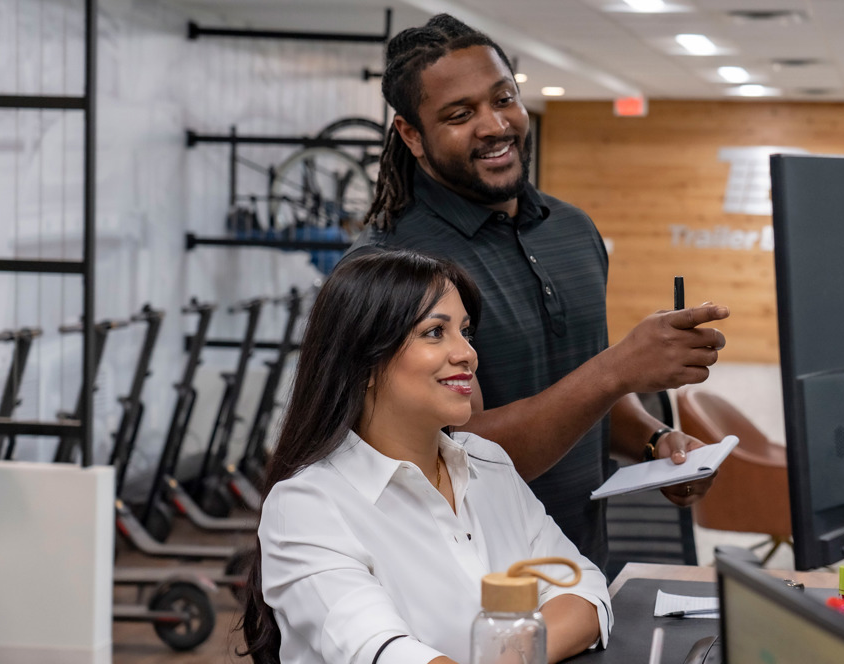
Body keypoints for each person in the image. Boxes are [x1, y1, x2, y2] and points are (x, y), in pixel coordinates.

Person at [349, 14, 730, 567]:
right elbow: (457, 456)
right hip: (462, 585)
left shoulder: (571, 230)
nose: (493, 125)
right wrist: (618, 367)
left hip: (582, 565)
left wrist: (654, 441)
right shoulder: (392, 269)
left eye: (503, 99)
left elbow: (578, 383)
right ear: (411, 135)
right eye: (460, 115)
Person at [241, 248, 611, 664]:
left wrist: (511, 657)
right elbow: (382, 653)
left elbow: (584, 593)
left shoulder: (487, 464)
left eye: (465, 332)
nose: (467, 354)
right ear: (363, 363)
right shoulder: (307, 506)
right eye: (435, 332)